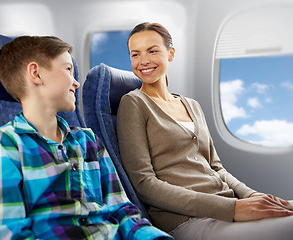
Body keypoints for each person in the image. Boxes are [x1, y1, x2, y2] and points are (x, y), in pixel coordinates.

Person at [0, 35, 171, 239]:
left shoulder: (88, 140)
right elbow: (5, 232)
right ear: (36, 73)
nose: (76, 83)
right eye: (68, 70)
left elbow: (122, 211)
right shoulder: (7, 143)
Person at [116, 22, 293, 240]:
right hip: (188, 220)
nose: (143, 61)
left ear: (170, 54)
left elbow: (217, 168)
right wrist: (233, 208)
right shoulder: (133, 103)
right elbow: (145, 184)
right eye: (135, 54)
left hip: (227, 205)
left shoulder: (193, 105)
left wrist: (252, 195)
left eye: (152, 51)